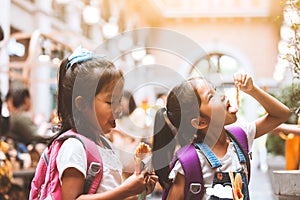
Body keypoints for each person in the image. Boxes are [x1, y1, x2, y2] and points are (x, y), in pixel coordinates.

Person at [152, 74, 290, 199]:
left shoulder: (240, 136)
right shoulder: (190, 162)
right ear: (200, 122)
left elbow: (281, 114)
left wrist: (252, 90)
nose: (222, 96)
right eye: (211, 97)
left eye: (216, 90)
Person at [51, 46, 157, 200]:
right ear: (81, 104)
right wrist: (126, 190)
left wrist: (137, 190)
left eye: (119, 101)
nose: (119, 110)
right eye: (110, 102)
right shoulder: (74, 146)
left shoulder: (104, 145)